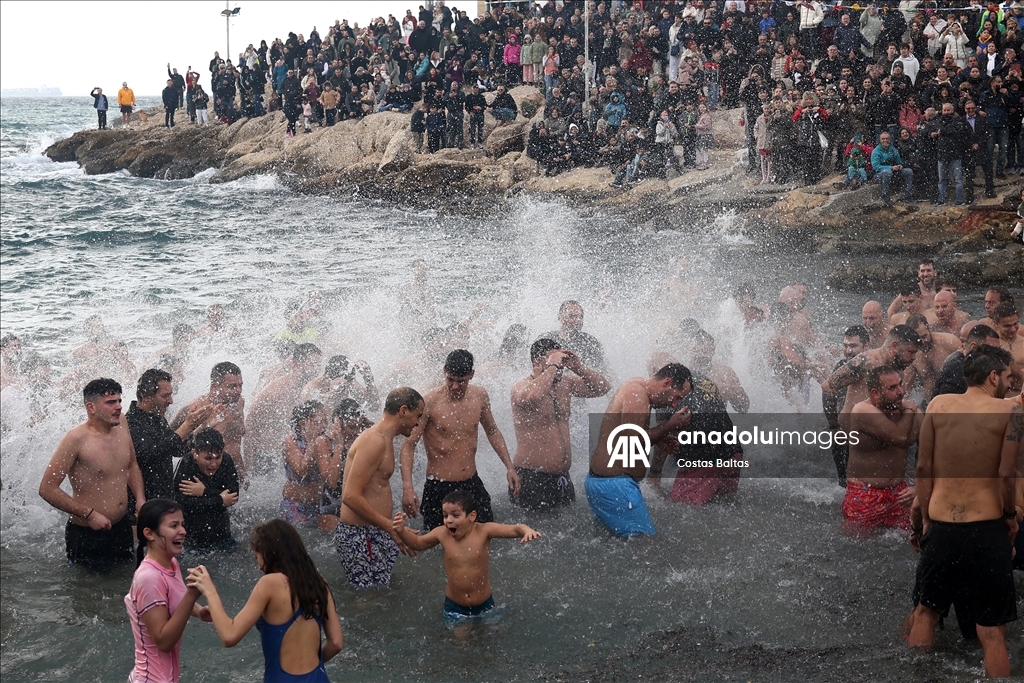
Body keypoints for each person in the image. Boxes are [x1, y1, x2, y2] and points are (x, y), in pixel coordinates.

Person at [907, 346, 1020, 678]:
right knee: (991, 632)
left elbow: (924, 466)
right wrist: (1011, 517)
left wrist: (925, 519)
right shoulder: (1011, 413)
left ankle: (915, 674)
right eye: (1008, 377)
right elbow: (1006, 473)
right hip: (987, 528)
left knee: (926, 613)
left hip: (941, 525)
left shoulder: (938, 405)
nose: (1009, 384)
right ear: (993, 376)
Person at [187, 519, 343, 682]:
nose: (259, 564)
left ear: (268, 552)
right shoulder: (319, 583)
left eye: (257, 555)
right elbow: (336, 643)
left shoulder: (269, 584)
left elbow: (229, 636)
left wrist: (209, 590)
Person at [401, 350, 521, 531]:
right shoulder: (429, 403)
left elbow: (492, 431)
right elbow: (409, 445)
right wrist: (408, 488)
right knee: (438, 548)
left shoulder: (479, 396)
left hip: (471, 484)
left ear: (471, 375)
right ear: (444, 372)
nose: (455, 386)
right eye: (450, 380)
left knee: (485, 537)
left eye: (461, 381)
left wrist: (510, 467)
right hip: (439, 488)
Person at [392, 490, 540, 633]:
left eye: (455, 515)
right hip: (456, 607)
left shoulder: (484, 531)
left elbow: (515, 529)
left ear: (472, 516)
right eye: (445, 515)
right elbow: (418, 543)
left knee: (491, 640)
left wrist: (526, 531)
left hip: (485, 604)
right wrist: (401, 531)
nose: (448, 520)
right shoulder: (442, 534)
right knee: (462, 647)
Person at [39, 378, 145, 570]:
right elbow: (47, 489)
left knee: (125, 584)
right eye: (111, 403)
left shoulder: (121, 423)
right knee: (88, 593)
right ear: (91, 407)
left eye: (119, 401)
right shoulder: (76, 439)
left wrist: (140, 498)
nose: (119, 407)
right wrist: (89, 514)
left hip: (122, 527)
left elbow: (131, 465)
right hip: (87, 533)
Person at [586, 364, 694, 537]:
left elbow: (627, 433)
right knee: (645, 546)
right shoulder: (637, 393)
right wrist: (670, 425)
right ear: (666, 383)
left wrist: (659, 438)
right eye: (677, 397)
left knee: (615, 547)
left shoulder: (637, 387)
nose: (674, 405)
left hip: (608, 483)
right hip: (616, 486)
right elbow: (633, 440)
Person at [337, 387, 423, 590]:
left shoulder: (383, 439)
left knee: (380, 592)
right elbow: (349, 496)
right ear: (403, 411)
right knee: (368, 598)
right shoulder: (374, 441)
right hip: (360, 534)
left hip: (374, 531)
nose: (418, 422)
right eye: (417, 415)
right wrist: (388, 525)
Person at [509, 339, 610, 511]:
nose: (560, 366)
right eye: (554, 360)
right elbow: (534, 396)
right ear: (537, 361)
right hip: (532, 477)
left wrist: (578, 367)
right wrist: (552, 366)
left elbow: (602, 387)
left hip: (562, 477)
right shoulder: (521, 387)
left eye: (560, 361)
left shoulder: (565, 384)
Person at [125, 499, 210, 683]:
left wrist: (200, 611)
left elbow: (174, 597)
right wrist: (192, 595)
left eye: (182, 524)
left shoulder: (171, 563)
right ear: (149, 534)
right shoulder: (149, 578)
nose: (183, 531)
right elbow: (163, 642)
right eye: (174, 525)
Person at [842, 366, 922, 532]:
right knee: (858, 551)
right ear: (875, 393)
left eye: (901, 384)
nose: (900, 391)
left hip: (900, 493)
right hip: (864, 494)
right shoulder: (862, 410)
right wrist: (909, 410)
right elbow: (899, 437)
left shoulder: (910, 410)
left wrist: (921, 487)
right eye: (892, 388)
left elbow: (932, 449)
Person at [127, 369, 211, 505]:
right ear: (145, 396)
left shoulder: (158, 418)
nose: (171, 401)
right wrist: (186, 427)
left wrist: (195, 432)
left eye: (171, 395)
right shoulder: (130, 423)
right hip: (143, 505)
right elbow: (149, 455)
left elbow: (176, 450)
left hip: (164, 498)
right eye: (165, 396)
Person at [822, 325, 922, 434]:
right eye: (911, 352)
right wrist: (834, 428)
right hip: (849, 436)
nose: (914, 358)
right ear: (894, 347)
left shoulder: (897, 370)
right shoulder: (866, 362)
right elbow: (828, 387)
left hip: (876, 432)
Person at [246, 343, 322, 478]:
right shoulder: (275, 391)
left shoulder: (312, 388)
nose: (317, 370)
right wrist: (248, 471)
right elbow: (250, 427)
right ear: (298, 365)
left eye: (318, 365)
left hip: (297, 454)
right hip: (268, 458)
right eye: (312, 365)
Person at [170, 362, 246, 480]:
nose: (238, 390)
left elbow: (240, 433)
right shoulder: (196, 408)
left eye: (240, 385)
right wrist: (210, 425)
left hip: (236, 471)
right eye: (232, 386)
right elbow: (170, 440)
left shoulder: (239, 402)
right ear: (215, 387)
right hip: (208, 474)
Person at [174, 428, 239, 550]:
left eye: (217, 457)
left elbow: (233, 496)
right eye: (208, 458)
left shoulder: (226, 460)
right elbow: (185, 504)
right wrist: (220, 500)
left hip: (222, 535)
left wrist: (205, 491)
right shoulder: (186, 464)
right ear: (195, 454)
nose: (213, 464)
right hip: (192, 541)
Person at [822, 325, 870, 485]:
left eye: (853, 346)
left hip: (866, 430)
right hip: (843, 430)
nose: (848, 351)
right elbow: (829, 391)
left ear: (866, 346)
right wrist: (833, 426)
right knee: (844, 482)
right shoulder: (842, 366)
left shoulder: (872, 366)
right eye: (845, 346)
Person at [280, 400, 329, 526]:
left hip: (321, 506)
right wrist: (312, 441)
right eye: (319, 422)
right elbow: (301, 471)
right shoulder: (291, 441)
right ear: (303, 424)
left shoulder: (324, 440)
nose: (324, 426)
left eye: (325, 421)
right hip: (297, 507)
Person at [902, 314, 963, 404]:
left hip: (953, 400)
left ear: (929, 329)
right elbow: (907, 385)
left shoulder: (949, 342)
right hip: (929, 403)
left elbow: (970, 368)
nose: (922, 342)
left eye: (924, 336)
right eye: (917, 340)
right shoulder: (911, 353)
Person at [931, 323, 1000, 400]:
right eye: (991, 350)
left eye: (999, 350)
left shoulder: (976, 366)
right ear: (974, 347)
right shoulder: (956, 369)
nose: (997, 355)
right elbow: (946, 406)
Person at [539, 300, 608, 375]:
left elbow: (603, 371)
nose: (578, 321)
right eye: (573, 316)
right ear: (560, 317)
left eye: (581, 317)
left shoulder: (590, 342)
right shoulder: (546, 340)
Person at [871, 132, 913, 206]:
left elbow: (899, 161)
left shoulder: (893, 149)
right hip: (879, 175)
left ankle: (908, 196)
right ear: (880, 140)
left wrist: (900, 166)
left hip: (893, 173)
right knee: (887, 172)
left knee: (908, 171)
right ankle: (885, 196)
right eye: (883, 139)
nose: (885, 140)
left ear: (890, 140)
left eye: (887, 139)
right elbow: (876, 167)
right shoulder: (876, 151)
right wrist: (891, 167)